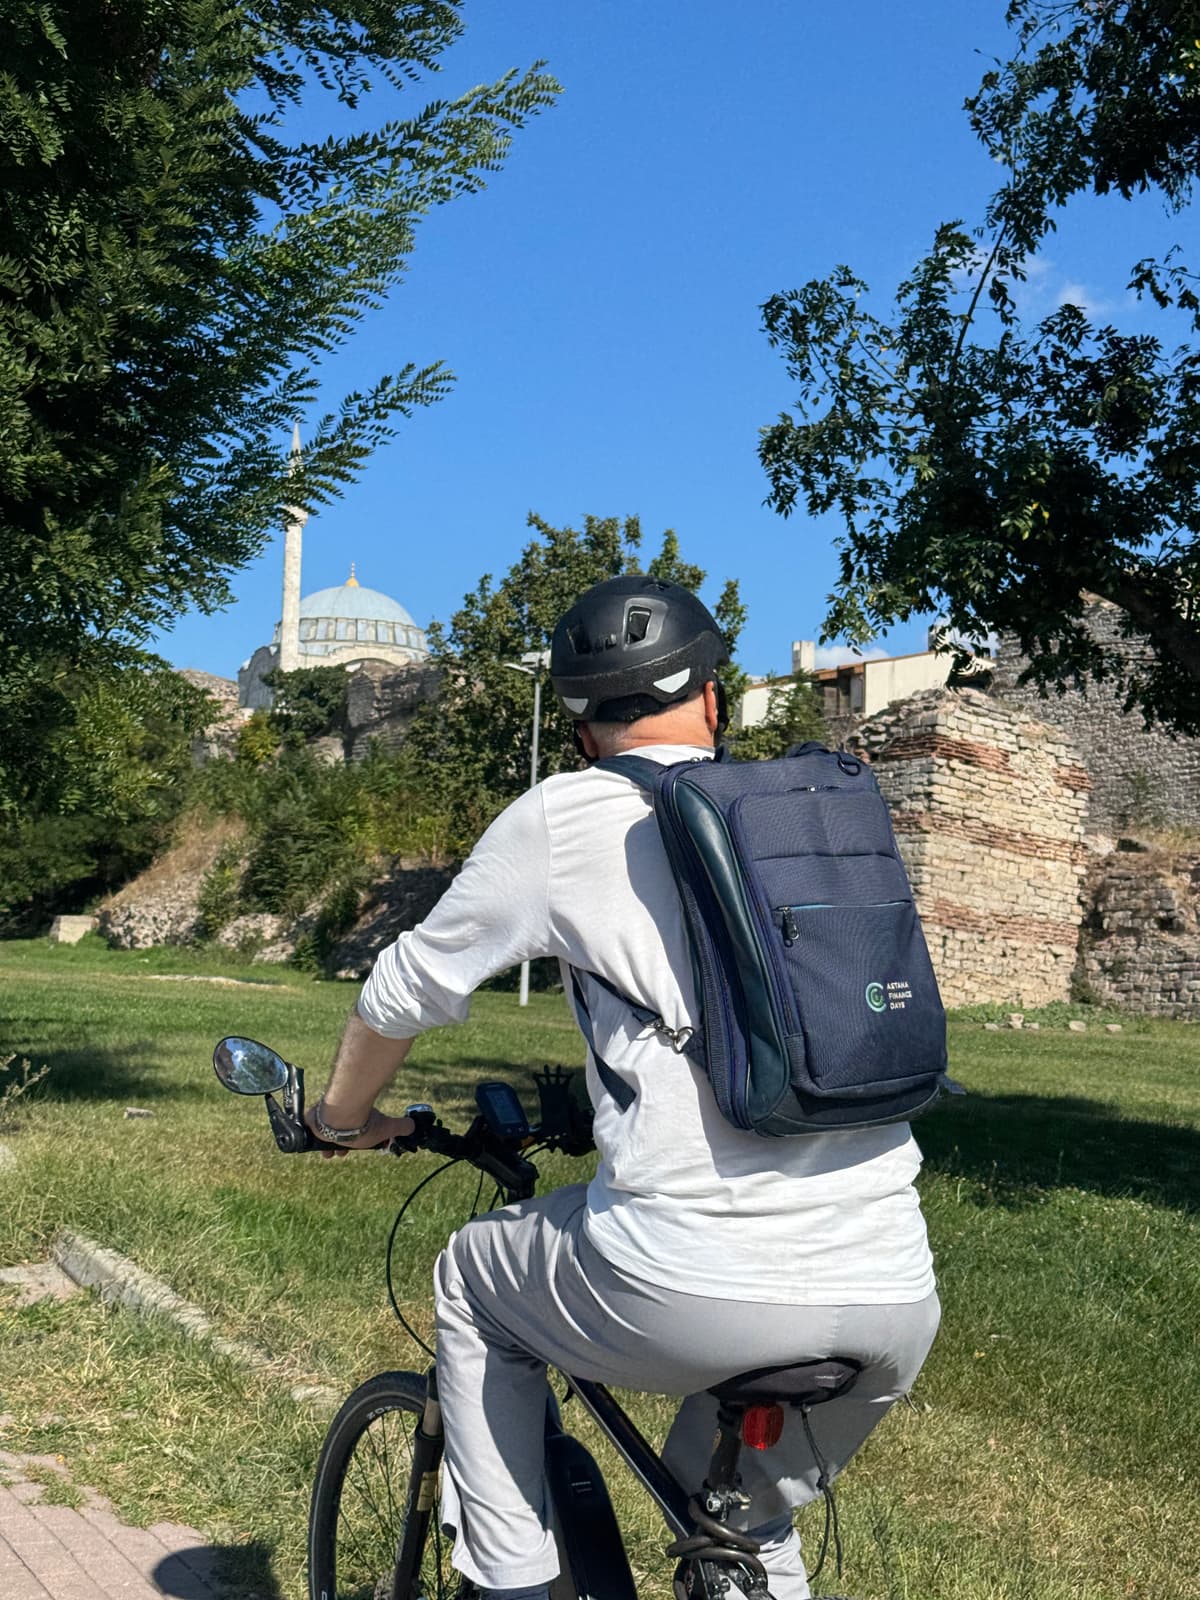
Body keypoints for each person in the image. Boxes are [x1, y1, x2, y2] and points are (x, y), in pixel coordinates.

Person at [304, 575, 940, 1600]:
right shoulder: (812, 818)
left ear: (582, 727)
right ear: (715, 702)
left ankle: (509, 1583)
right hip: (894, 1293)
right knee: (733, 1512)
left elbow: (401, 988)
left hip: (691, 1274)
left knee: (472, 1281)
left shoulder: (570, 815)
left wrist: (339, 1122)